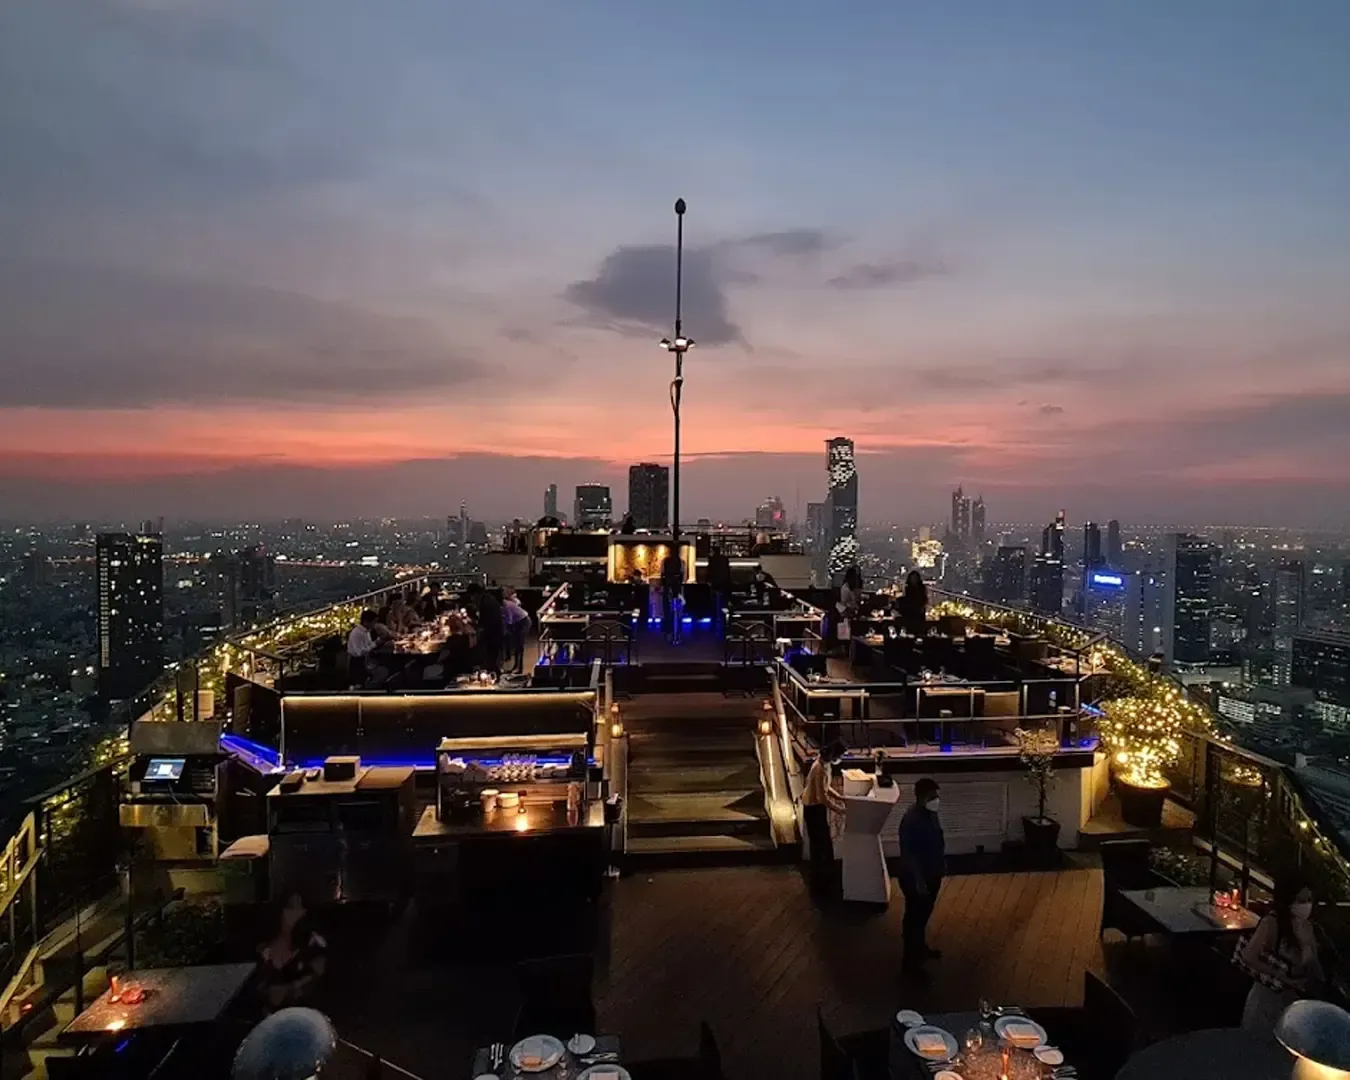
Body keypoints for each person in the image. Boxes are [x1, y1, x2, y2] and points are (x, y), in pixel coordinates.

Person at [1238, 874, 1323, 1032]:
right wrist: (1283, 978)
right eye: (1301, 900)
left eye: (1309, 899)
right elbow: (1249, 956)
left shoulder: (1308, 927)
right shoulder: (1272, 923)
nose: (1306, 905)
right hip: (1268, 1000)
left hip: (1295, 1003)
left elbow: (1312, 963)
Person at [897, 777, 946, 976]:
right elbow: (909, 854)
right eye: (933, 796)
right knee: (914, 919)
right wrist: (918, 880)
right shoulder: (911, 820)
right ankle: (911, 965)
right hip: (918, 878)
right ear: (923, 797)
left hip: (933, 872)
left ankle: (920, 949)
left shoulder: (930, 814)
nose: (937, 799)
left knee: (922, 916)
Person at [257, 893, 327, 1012]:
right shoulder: (264, 948)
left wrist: (289, 989)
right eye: (290, 908)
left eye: (298, 908)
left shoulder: (315, 944)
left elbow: (317, 982)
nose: (294, 914)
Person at [802, 740, 847, 898]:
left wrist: (840, 797)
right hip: (813, 807)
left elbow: (827, 788)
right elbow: (822, 797)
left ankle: (825, 875)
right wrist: (839, 809)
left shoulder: (825, 764)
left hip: (817, 806)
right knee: (819, 843)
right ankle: (819, 880)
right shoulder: (819, 769)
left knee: (825, 841)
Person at [465, 584, 504, 675]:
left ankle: (493, 679)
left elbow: (486, 623)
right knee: (493, 660)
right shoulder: (488, 598)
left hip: (493, 635)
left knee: (491, 661)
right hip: (496, 633)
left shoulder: (485, 602)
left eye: (472, 596)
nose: (472, 599)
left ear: (475, 594)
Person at [502, 587, 531, 674]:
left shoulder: (505, 604)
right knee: (517, 646)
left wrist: (505, 628)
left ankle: (519, 668)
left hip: (524, 622)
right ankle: (516, 666)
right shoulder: (508, 602)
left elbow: (509, 620)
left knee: (519, 646)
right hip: (519, 622)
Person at [347, 610, 377, 686]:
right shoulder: (357, 633)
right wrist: (375, 644)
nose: (374, 624)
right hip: (357, 662)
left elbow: (369, 644)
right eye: (373, 622)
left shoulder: (367, 631)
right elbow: (359, 652)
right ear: (366, 622)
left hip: (365, 659)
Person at [660, 549, 685, 642]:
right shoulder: (681, 561)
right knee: (678, 611)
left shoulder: (665, 561)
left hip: (668, 587)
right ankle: (677, 632)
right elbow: (683, 575)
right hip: (677, 588)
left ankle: (668, 632)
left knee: (667, 610)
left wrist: (664, 584)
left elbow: (662, 574)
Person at [899, 570, 928, 638]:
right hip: (910, 611)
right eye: (913, 578)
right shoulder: (908, 588)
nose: (914, 580)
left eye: (915, 578)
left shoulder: (921, 588)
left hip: (918, 611)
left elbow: (924, 599)